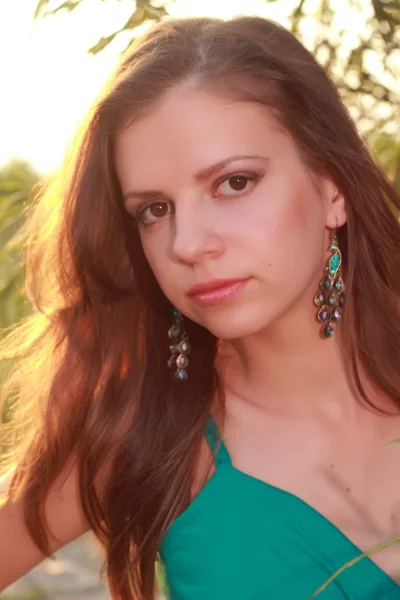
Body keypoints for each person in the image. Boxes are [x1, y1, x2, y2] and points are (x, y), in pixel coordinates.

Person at [1, 13, 400, 600]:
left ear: (332, 187)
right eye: (154, 210)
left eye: (234, 183)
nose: (187, 244)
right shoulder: (145, 439)